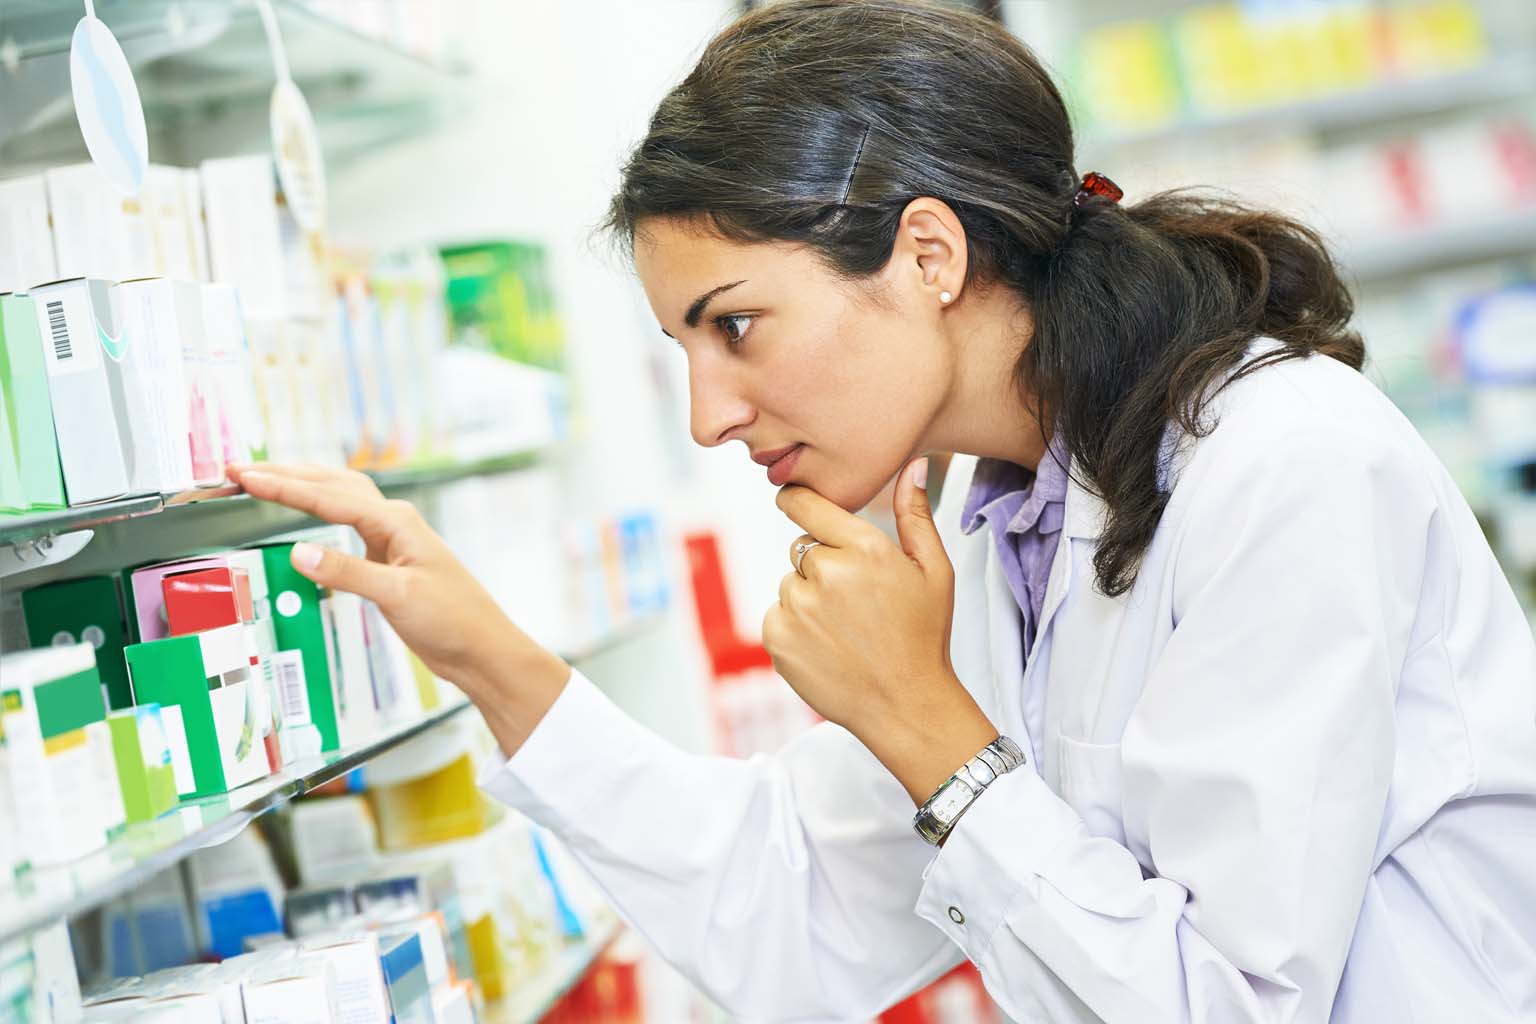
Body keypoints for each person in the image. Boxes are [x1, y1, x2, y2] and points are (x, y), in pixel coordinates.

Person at [228, 1, 1536, 1020]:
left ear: (928, 254)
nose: (710, 413)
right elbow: (797, 910)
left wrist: (934, 735)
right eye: (686, 350)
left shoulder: (1282, 459)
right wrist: (487, 655)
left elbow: (1231, 1006)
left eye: (735, 327)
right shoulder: (1000, 515)